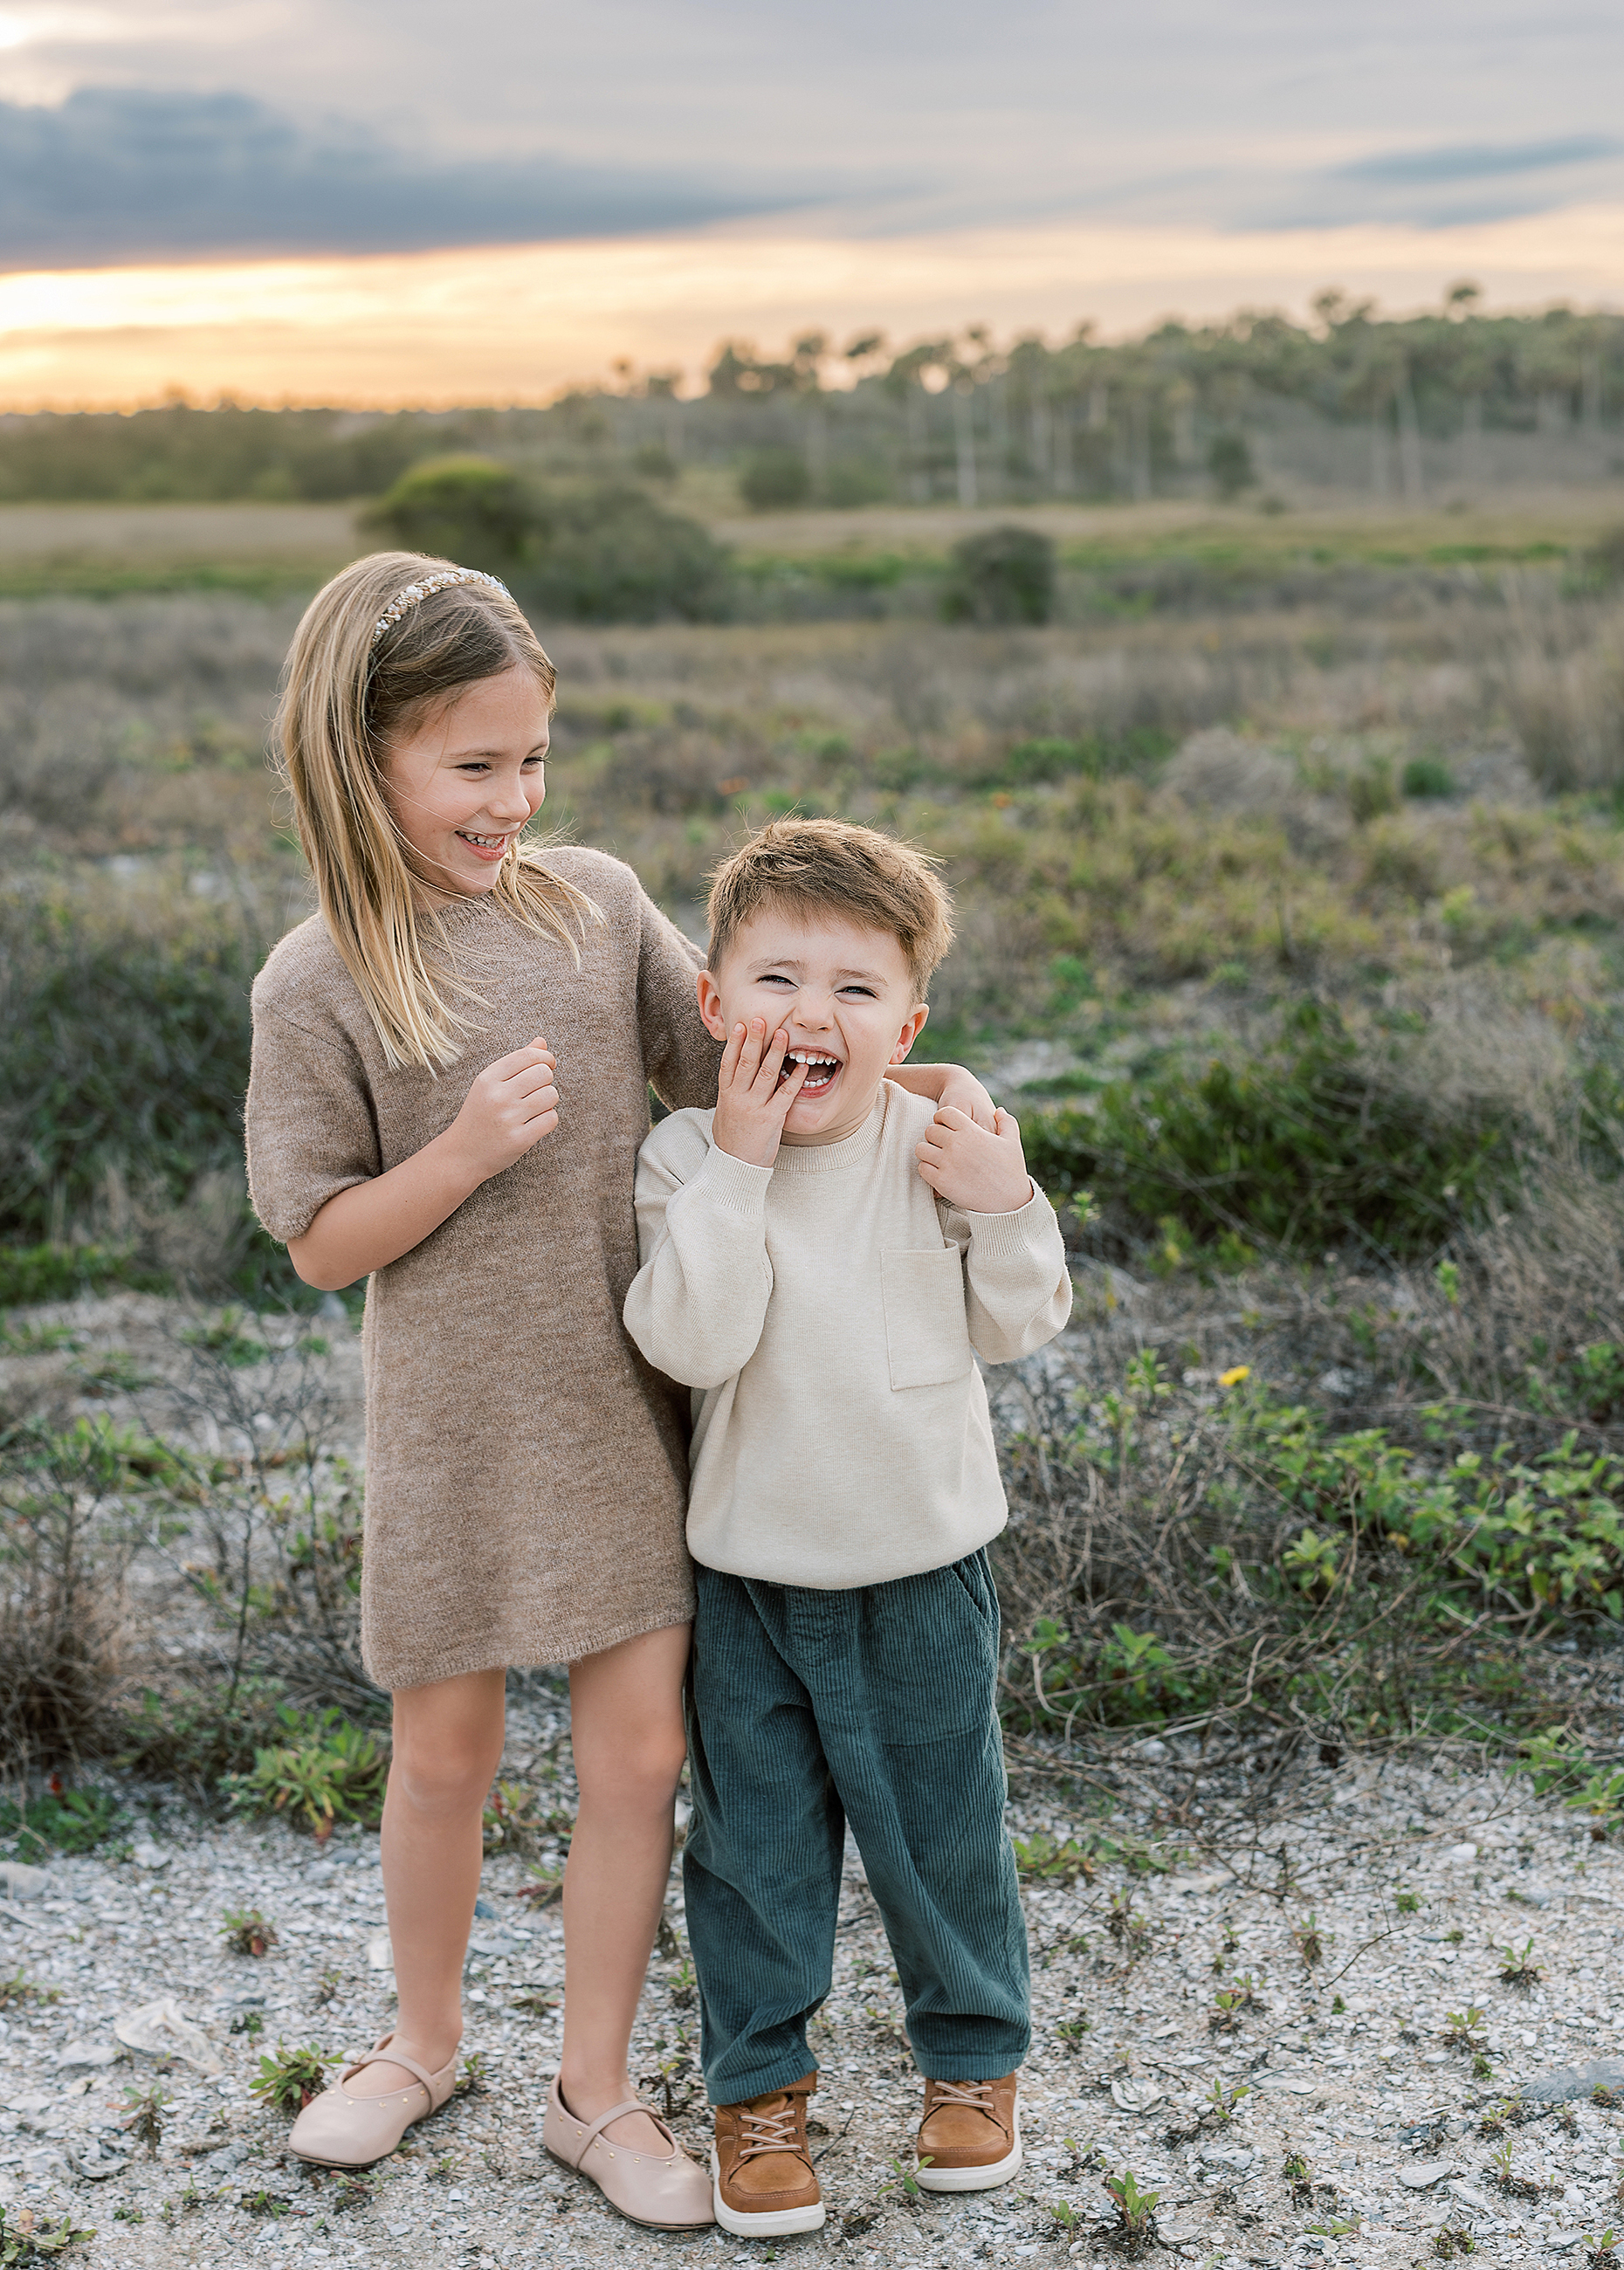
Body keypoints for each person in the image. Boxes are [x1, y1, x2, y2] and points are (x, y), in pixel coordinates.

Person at [244, 557, 995, 2229]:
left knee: (640, 1758)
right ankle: (421, 2045)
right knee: (441, 1757)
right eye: (473, 767)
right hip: (449, 1426)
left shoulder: (590, 902)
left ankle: (597, 2092)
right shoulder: (316, 983)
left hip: (630, 1417)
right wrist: (459, 1153)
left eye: (531, 762)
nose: (513, 800)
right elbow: (314, 1240)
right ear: (360, 760)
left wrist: (940, 1092)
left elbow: (745, 1054)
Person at [623, 816, 1073, 2239]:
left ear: (908, 1022)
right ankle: (759, 2096)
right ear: (711, 1004)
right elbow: (693, 1341)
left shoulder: (939, 1141)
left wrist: (1006, 1204)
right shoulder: (682, 1160)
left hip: (921, 1568)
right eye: (775, 981)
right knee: (754, 1856)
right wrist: (740, 1168)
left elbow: (1022, 1320)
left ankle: (971, 2069)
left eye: (856, 990)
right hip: (749, 1580)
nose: (812, 1014)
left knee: (945, 1833)